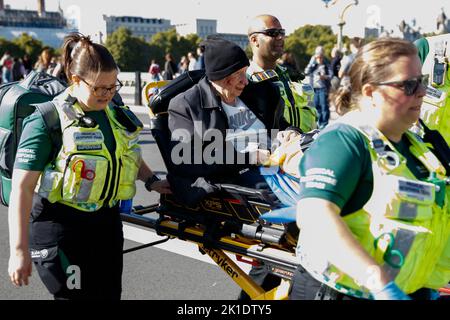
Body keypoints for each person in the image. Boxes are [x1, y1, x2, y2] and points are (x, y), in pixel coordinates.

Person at [8, 33, 171, 300]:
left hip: (105, 225)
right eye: (99, 88)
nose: (108, 94)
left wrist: (152, 180)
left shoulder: (112, 112)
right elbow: (22, 188)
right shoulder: (47, 119)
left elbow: (124, 152)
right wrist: (18, 250)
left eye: (112, 86)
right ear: (75, 80)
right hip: (61, 228)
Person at [290, 38, 450, 300]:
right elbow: (315, 215)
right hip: (343, 292)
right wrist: (379, 283)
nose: (422, 91)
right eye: (408, 85)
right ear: (370, 92)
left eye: (421, 81)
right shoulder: (346, 140)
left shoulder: (420, 147)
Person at [168, 37, 292, 207]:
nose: (246, 81)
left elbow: (279, 124)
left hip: (278, 160)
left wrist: (291, 132)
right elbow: (188, 159)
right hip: (238, 174)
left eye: (245, 72)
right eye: (238, 75)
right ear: (220, 77)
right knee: (298, 199)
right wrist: (249, 157)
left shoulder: (255, 93)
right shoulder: (186, 105)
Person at [247, 14, 317, 133]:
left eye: (282, 32)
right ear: (254, 40)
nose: (280, 37)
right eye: (272, 33)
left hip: (306, 147)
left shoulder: (290, 75)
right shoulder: (246, 80)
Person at [304, 46, 333, 129]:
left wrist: (325, 77)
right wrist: (311, 62)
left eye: (321, 56)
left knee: (324, 106)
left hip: (323, 89)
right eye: (317, 57)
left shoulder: (326, 64)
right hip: (314, 89)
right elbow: (306, 72)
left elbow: (331, 75)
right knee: (316, 107)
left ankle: (324, 124)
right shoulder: (313, 65)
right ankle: (318, 123)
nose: (319, 58)